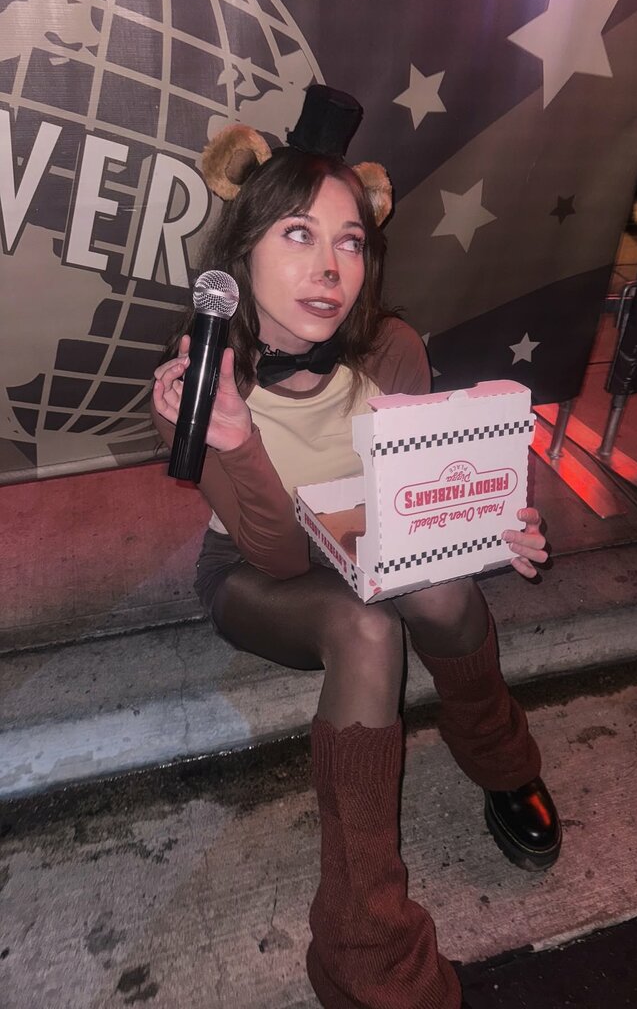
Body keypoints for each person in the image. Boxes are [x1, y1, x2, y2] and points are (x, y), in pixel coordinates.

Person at [151, 86, 561, 1009]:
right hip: (259, 575)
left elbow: (425, 487)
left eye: (349, 240)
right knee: (366, 631)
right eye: (297, 234)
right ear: (242, 249)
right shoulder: (198, 384)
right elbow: (275, 555)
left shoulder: (390, 349)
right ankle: (366, 955)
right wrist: (235, 442)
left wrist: (487, 525)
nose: (329, 267)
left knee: (448, 592)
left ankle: (504, 764)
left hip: (372, 540)